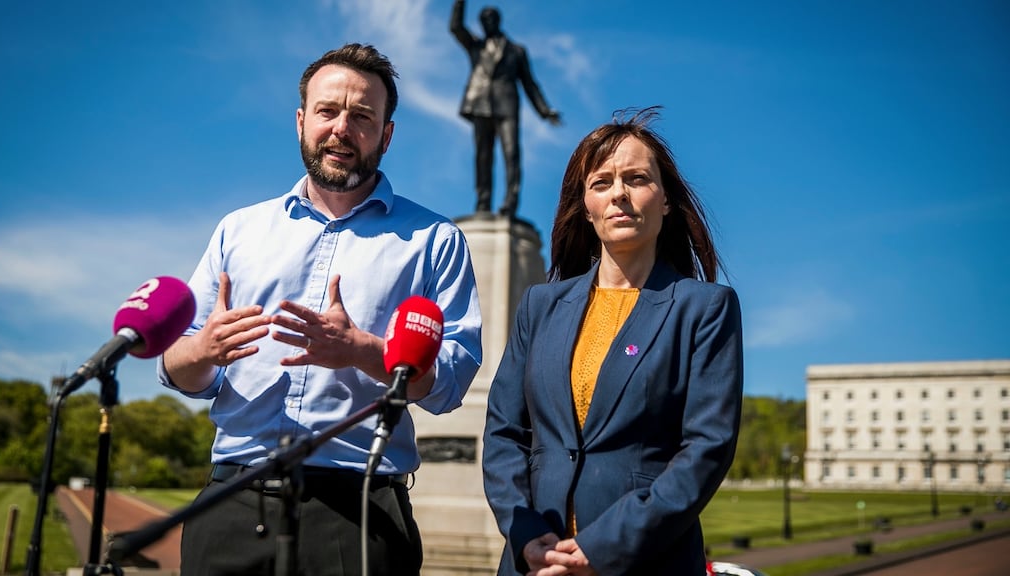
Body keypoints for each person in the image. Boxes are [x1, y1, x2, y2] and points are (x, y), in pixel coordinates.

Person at [158, 43, 483, 576]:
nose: (341, 128)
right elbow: (177, 368)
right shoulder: (237, 231)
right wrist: (202, 349)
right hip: (233, 501)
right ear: (301, 120)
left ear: (387, 134)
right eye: (328, 111)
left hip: (358, 512)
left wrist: (363, 351)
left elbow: (449, 386)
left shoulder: (435, 241)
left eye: (362, 116)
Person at [482, 107, 743, 575]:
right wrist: (525, 535)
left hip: (645, 560)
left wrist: (602, 546)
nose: (619, 193)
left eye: (637, 178)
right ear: (587, 207)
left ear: (664, 200)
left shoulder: (705, 308)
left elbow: (706, 449)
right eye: (601, 183)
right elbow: (504, 434)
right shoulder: (539, 305)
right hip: (534, 561)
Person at [450, 0, 562, 217]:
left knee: (511, 154)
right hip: (480, 104)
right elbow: (455, 27)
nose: (486, 24)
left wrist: (544, 110)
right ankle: (483, 202)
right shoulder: (475, 45)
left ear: (498, 21)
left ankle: (510, 203)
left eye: (490, 19)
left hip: (506, 107)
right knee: (483, 156)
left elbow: (530, 83)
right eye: (483, 20)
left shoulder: (516, 51)